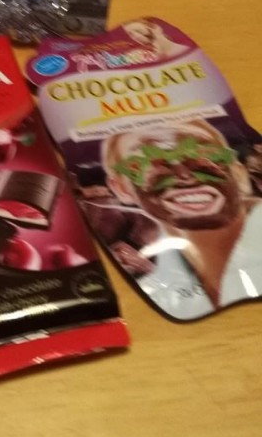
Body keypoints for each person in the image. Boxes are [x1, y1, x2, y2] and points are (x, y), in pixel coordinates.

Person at [101, 119, 262, 318]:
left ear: (237, 172)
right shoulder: (149, 277)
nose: (184, 174)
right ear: (121, 188)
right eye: (150, 162)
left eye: (204, 155)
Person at [123, 19, 188, 59]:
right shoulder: (153, 59)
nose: (136, 37)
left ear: (153, 26)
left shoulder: (184, 51)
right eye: (131, 34)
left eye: (139, 31)